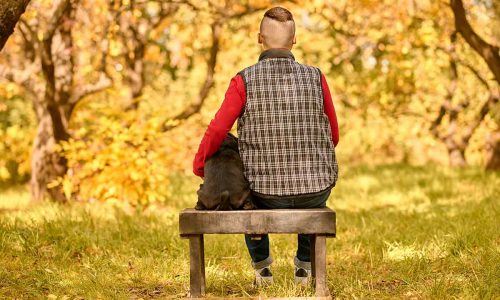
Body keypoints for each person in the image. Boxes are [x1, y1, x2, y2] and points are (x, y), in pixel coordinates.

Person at [192, 6, 339, 286]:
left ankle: (263, 271)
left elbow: (217, 130)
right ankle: (304, 268)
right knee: (309, 192)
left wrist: (200, 165)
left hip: (263, 193)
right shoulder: (316, 77)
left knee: (246, 190)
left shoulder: (243, 80)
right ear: (294, 41)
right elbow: (333, 135)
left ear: (260, 38)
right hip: (316, 190)